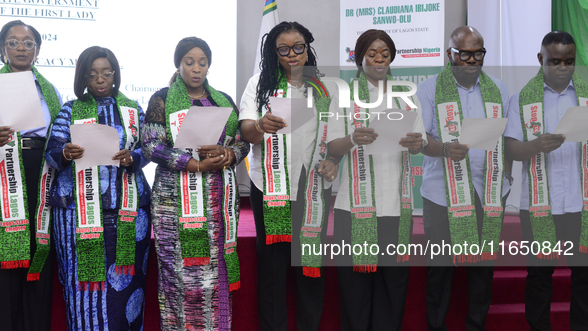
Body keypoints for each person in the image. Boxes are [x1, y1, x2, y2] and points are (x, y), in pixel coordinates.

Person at [141, 36, 248, 330]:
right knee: (178, 275)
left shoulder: (222, 100)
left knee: (214, 276)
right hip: (172, 206)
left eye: (202, 62)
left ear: (209, 66)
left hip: (217, 205)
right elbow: (150, 146)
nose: (196, 68)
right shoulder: (161, 99)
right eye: (189, 62)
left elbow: (242, 145)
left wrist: (228, 154)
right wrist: (193, 164)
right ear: (179, 64)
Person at [239, 21, 337, 331]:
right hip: (270, 188)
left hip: (312, 190)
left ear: (308, 48)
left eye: (299, 47)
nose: (292, 55)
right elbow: (246, 133)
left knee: (310, 268)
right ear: (274, 52)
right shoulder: (259, 85)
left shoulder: (324, 88)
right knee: (272, 269)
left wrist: (333, 159)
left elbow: (334, 138)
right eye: (284, 49)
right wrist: (261, 126)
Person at [45, 46, 151, 331]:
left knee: (126, 291)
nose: (101, 79)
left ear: (115, 74)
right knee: (83, 293)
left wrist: (134, 157)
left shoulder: (132, 110)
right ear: (84, 78)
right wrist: (66, 153)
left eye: (106, 73)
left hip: (128, 211)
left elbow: (148, 148)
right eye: (93, 75)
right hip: (77, 215)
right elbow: (52, 153)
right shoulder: (69, 110)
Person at [326, 29, 425, 331]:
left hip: (396, 206)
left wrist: (415, 143)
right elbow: (331, 146)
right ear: (359, 57)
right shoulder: (344, 96)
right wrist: (353, 138)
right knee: (355, 294)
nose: (379, 59)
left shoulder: (406, 95)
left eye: (384, 53)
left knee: (392, 292)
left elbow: (420, 140)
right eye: (372, 53)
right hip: (353, 208)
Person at [416, 26, 511, 330]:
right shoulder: (429, 89)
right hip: (442, 193)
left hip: (488, 191)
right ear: (450, 54)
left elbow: (506, 137)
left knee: (482, 273)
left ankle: (476, 325)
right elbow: (420, 139)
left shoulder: (498, 88)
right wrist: (444, 148)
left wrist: (506, 176)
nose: (472, 60)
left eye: (478, 53)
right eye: (465, 54)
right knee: (440, 272)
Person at [504, 31, 588, 331]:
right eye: (555, 61)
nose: (563, 67)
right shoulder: (521, 99)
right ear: (541, 59)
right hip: (540, 203)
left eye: (569, 61)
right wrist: (536, 146)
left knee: (585, 276)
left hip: (582, 201)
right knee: (540, 276)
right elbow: (511, 148)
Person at [0, 20, 63, 331]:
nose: (21, 47)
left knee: (39, 247)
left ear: (38, 50)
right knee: (6, 257)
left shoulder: (50, 90)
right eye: (13, 42)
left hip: (42, 170)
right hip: (4, 174)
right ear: (3, 50)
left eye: (28, 43)